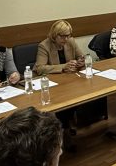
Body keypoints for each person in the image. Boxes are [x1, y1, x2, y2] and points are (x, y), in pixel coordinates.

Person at [35, 20, 86, 152]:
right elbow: (39, 68)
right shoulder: (44, 46)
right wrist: (63, 67)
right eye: (62, 36)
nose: (66, 39)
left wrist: (81, 62)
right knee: (63, 102)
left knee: (81, 95)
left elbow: (82, 57)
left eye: (68, 35)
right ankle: (65, 132)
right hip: (53, 85)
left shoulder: (71, 42)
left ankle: (67, 126)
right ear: (54, 35)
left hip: (70, 82)